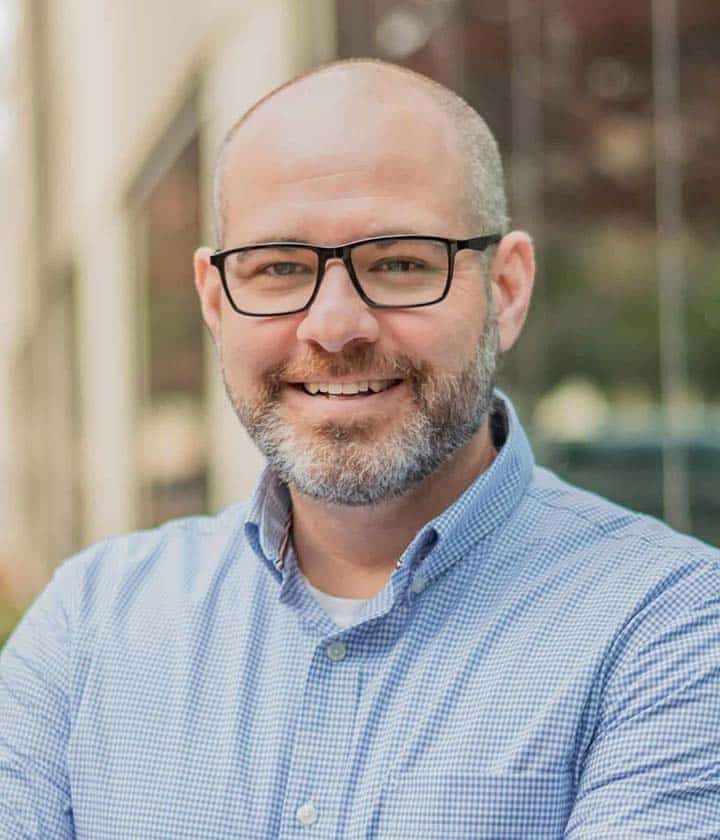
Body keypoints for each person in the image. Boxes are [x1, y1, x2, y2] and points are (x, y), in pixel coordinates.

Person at [1, 58, 718, 839]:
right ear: (215, 302)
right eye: (279, 268)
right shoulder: (89, 624)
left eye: (400, 263)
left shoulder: (673, 628)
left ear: (506, 290)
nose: (335, 327)